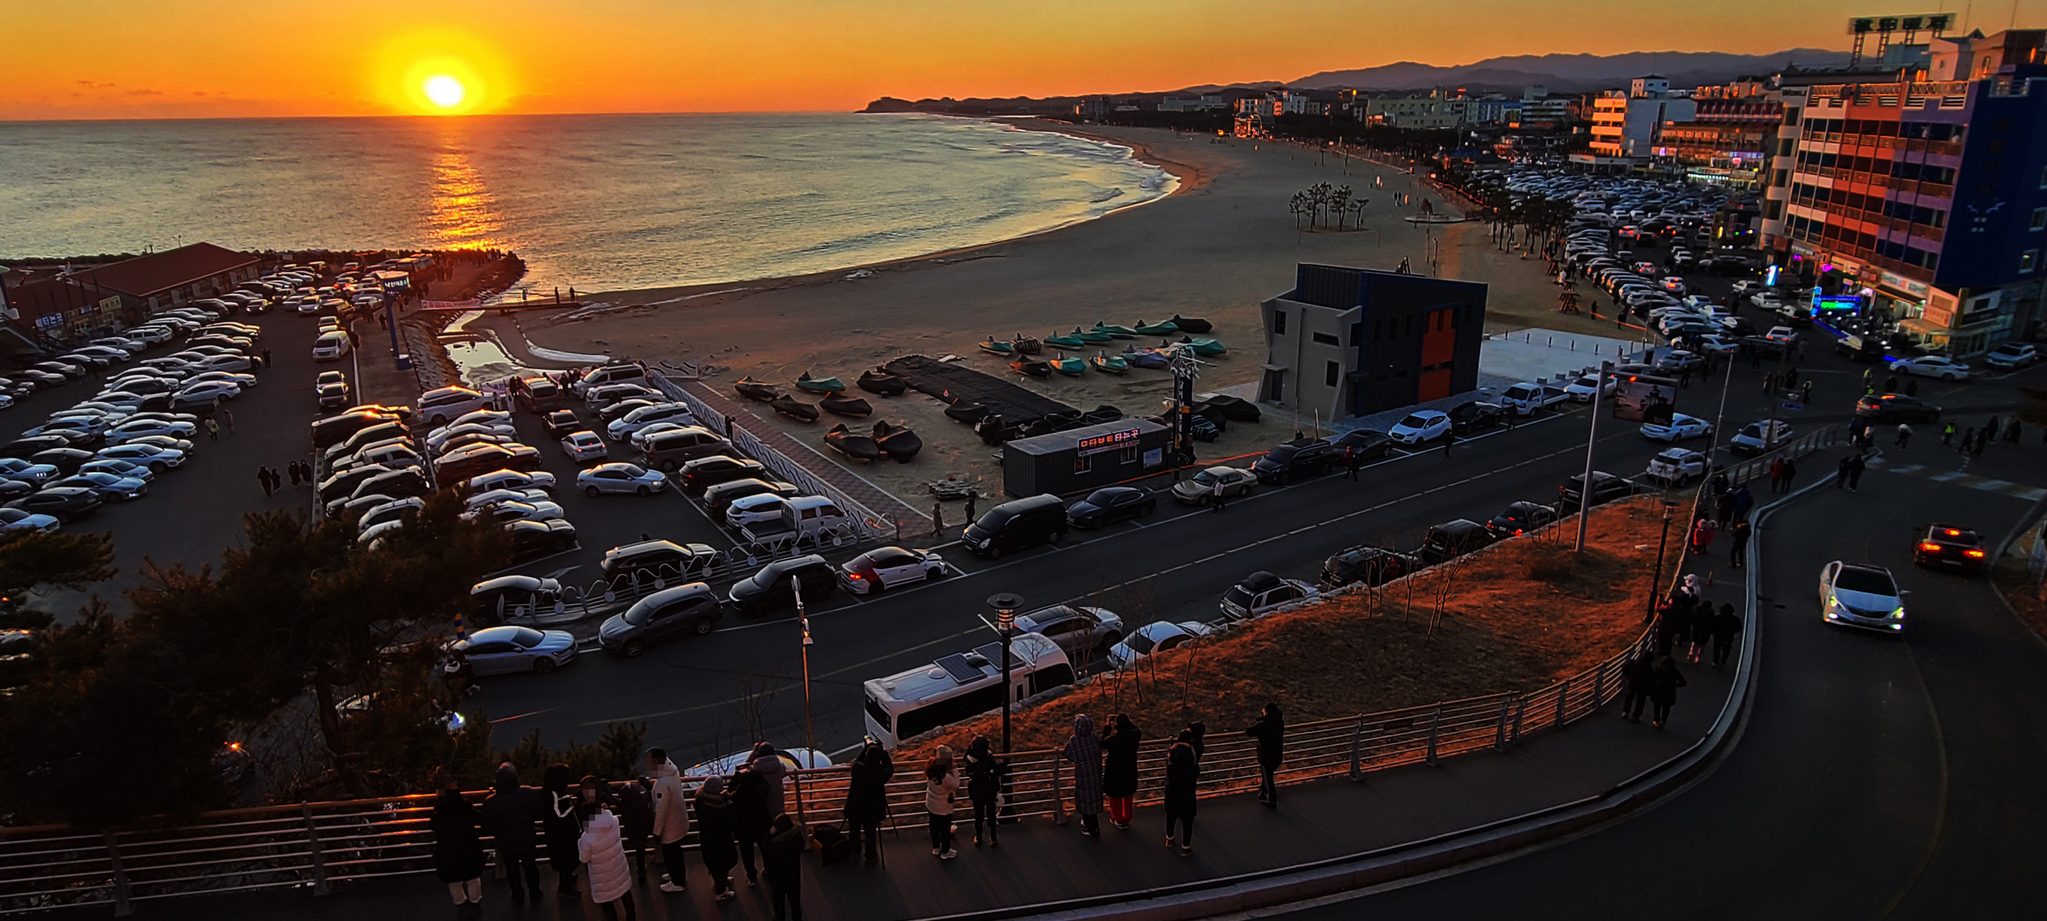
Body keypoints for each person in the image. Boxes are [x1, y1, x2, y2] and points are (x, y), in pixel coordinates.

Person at [479, 763, 544, 904]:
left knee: (511, 869)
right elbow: (538, 813)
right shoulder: (529, 793)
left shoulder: (490, 803)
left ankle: (517, 894)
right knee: (530, 866)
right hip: (527, 838)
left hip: (505, 842)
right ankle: (535, 892)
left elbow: (486, 827)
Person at [430, 770, 487, 920]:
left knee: (454, 881)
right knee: (472, 878)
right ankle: (475, 903)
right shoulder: (466, 809)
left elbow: (433, 827)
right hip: (469, 850)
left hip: (448, 853)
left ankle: (461, 904)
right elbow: (481, 819)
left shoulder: (438, 814)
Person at [576, 789, 637, 921]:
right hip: (618, 866)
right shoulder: (612, 821)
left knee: (607, 904)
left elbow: (584, 858)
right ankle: (631, 918)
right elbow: (607, 812)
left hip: (602, 876)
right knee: (626, 894)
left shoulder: (586, 839)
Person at [842, 741, 892, 865]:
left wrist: (867, 748)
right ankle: (870, 856)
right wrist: (883, 753)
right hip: (872, 809)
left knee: (854, 830)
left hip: (855, 807)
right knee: (870, 833)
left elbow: (858, 759)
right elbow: (890, 768)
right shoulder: (880, 774)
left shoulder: (857, 769)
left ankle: (855, 852)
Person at [647, 749, 689, 893]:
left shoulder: (663, 783)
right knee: (676, 851)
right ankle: (677, 875)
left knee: (671, 855)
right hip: (679, 820)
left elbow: (661, 810)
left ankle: (677, 882)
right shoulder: (672, 771)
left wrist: (656, 832)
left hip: (670, 825)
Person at [693, 776, 740, 900]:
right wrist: (729, 803)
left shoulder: (700, 800)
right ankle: (721, 892)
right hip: (721, 839)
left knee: (714, 861)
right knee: (722, 861)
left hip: (707, 837)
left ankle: (720, 881)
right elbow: (731, 822)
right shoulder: (720, 808)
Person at [541, 764, 582, 900]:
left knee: (566, 861)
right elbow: (559, 815)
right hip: (560, 837)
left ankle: (568, 879)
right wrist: (574, 806)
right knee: (565, 860)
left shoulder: (550, 793)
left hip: (562, 835)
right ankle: (565, 888)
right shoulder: (552, 795)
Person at [1061, 714, 1104, 836]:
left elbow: (1068, 755)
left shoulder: (1074, 741)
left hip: (1083, 776)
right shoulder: (1093, 738)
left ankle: (1091, 827)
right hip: (1096, 774)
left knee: (1085, 800)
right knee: (1094, 799)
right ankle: (1093, 825)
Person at [730, 764, 770, 886]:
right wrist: (754, 772)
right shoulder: (760, 793)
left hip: (743, 829)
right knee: (765, 850)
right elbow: (765, 784)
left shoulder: (737, 796)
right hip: (761, 826)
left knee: (747, 853)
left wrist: (737, 774)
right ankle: (768, 872)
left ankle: (752, 877)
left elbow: (730, 789)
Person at [763, 813, 808, 921]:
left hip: (777, 876)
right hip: (793, 875)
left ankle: (779, 917)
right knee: (794, 900)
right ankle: (797, 917)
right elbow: (801, 847)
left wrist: (769, 836)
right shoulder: (796, 838)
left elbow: (766, 850)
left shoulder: (775, 843)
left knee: (778, 898)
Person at [1101, 714, 1142, 829]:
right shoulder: (1134, 736)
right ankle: (1127, 817)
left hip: (1114, 771)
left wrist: (1108, 726)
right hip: (1129, 769)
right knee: (1127, 795)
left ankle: (1118, 818)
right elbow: (1137, 730)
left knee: (1115, 795)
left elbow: (1102, 742)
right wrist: (1125, 721)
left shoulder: (1113, 740)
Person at [964, 736, 1005, 848]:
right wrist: (991, 772)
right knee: (979, 816)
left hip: (987, 789)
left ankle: (992, 836)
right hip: (979, 790)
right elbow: (974, 774)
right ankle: (980, 835)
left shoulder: (986, 755)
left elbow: (993, 765)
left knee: (991, 814)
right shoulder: (970, 759)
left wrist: (999, 768)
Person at [1163, 733, 1199, 856]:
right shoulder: (1194, 770)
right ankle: (1186, 847)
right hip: (1188, 800)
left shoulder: (1170, 769)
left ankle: (1170, 839)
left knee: (1170, 819)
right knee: (1187, 824)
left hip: (1172, 798)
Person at [1244, 703, 1285, 808]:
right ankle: (1263, 791)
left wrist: (1260, 719)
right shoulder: (1279, 722)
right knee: (1267, 776)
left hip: (1266, 756)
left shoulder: (1264, 724)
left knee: (1268, 777)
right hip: (1277, 754)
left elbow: (1249, 731)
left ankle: (1271, 799)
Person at [924, 746, 960, 858]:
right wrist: (954, 769)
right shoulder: (945, 776)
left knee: (933, 826)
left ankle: (936, 847)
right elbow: (956, 784)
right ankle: (945, 851)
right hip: (943, 806)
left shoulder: (931, 768)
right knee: (945, 829)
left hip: (931, 803)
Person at [616, 774, 654, 882]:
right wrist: (643, 780)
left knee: (637, 847)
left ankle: (638, 869)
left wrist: (605, 785)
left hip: (631, 831)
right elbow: (651, 789)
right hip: (645, 828)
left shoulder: (622, 806)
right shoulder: (643, 801)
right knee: (641, 847)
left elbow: (608, 797)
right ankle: (642, 869)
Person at [750, 742, 789, 819]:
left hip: (762, 802)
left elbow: (743, 770)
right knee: (779, 820)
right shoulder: (780, 766)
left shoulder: (754, 768)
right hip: (778, 800)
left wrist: (753, 754)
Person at [1650, 655, 1688, 729]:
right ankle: (1663, 721)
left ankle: (1656, 720)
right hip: (1669, 692)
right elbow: (1683, 682)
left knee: (1657, 706)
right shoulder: (1674, 671)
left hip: (1658, 691)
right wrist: (1675, 685)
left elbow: (1653, 679)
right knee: (1666, 707)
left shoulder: (1658, 669)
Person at [1620, 650, 1654, 722]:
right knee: (1640, 702)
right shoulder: (1649, 668)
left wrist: (1628, 677)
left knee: (1629, 698)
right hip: (1642, 687)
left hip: (1632, 683)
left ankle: (1625, 711)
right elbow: (1651, 680)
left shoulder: (1635, 663)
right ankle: (1636, 716)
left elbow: (1625, 669)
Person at [1711, 603, 1743, 668]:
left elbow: (1711, 626)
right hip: (1728, 637)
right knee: (1726, 651)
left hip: (1718, 636)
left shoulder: (1717, 618)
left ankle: (1715, 661)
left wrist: (1714, 632)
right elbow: (1738, 628)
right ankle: (1723, 661)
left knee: (1716, 649)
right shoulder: (1735, 619)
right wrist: (1732, 632)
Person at [1688, 600, 1715, 664]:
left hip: (1697, 629)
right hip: (1706, 631)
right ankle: (1698, 657)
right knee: (1702, 645)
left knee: (1694, 643)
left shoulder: (1698, 611)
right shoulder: (1711, 613)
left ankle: (1691, 654)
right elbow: (1712, 623)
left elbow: (1692, 618)